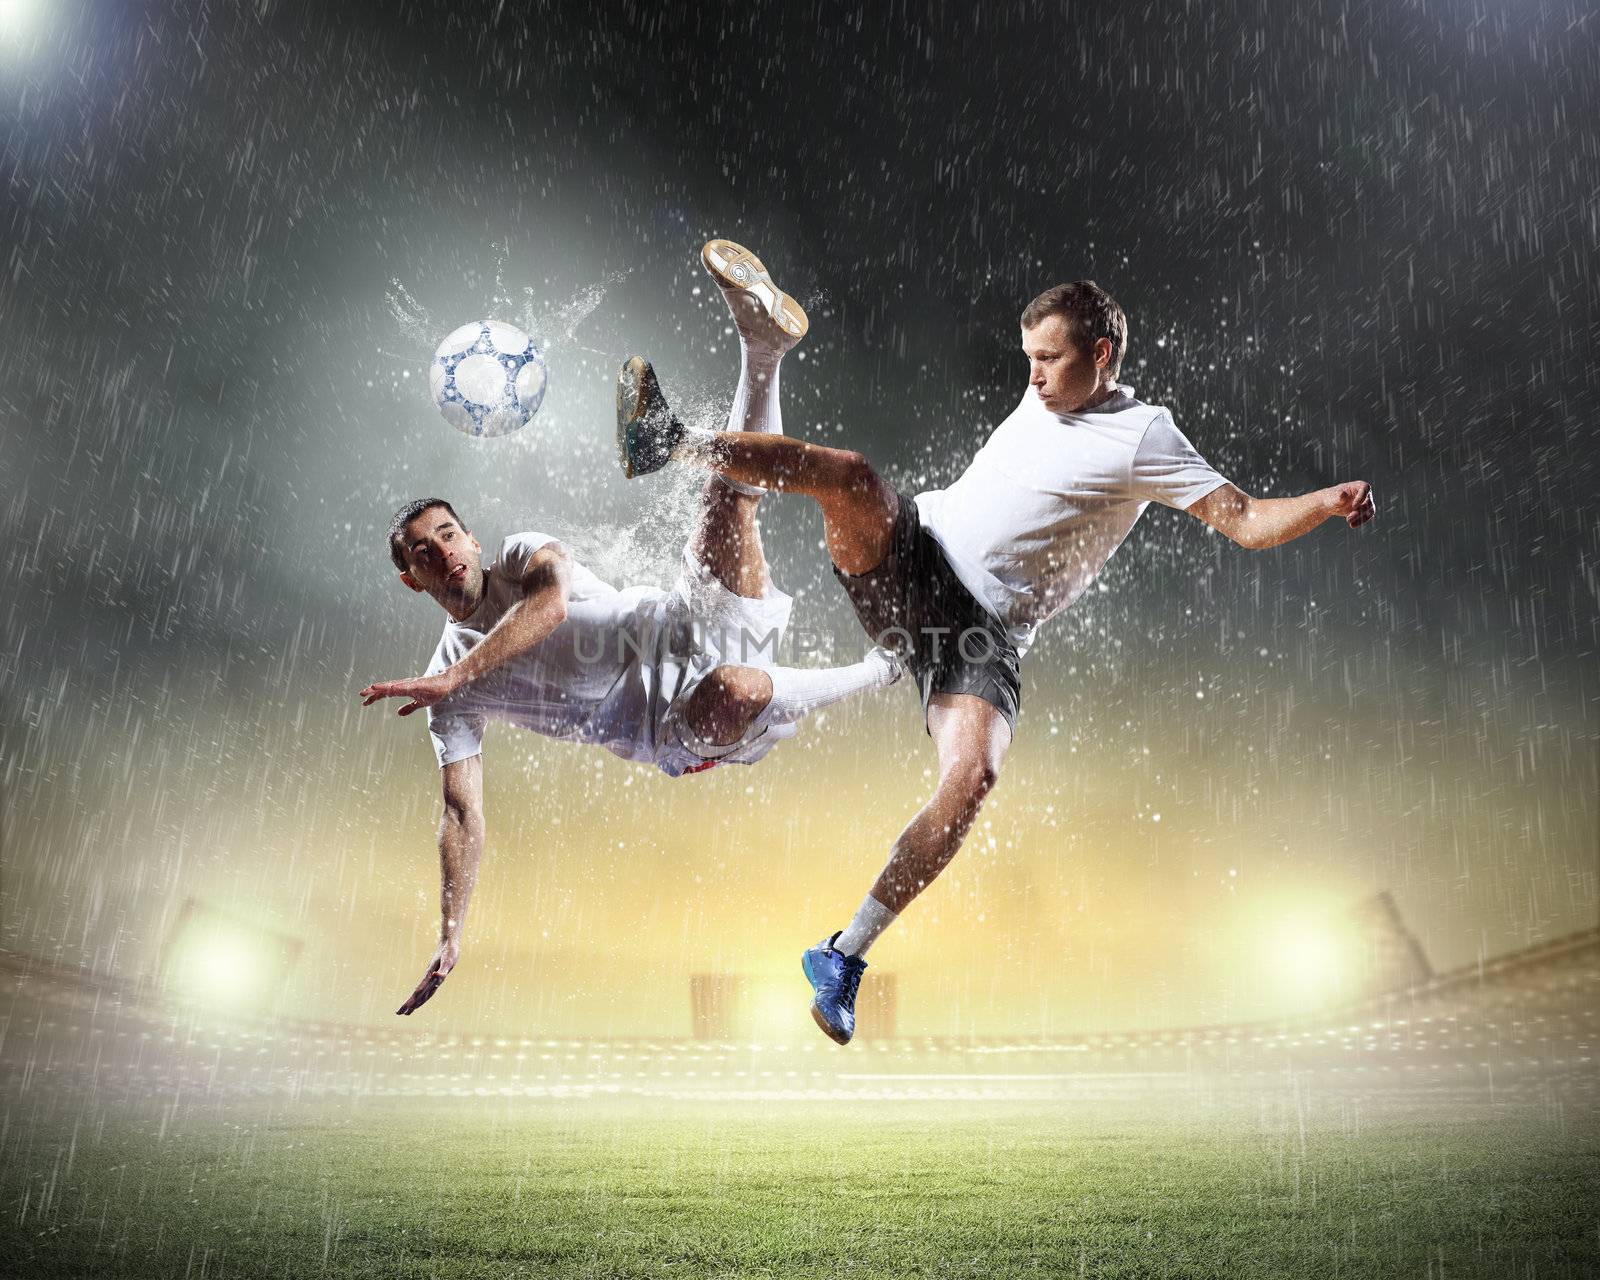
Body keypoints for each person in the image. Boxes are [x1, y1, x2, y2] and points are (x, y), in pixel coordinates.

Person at [618, 271, 1377, 1045]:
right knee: (850, 476)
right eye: (1027, 359)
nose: (1035, 376)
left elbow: (1245, 520)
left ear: (1102, 355)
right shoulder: (1044, 391)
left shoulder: (1145, 438)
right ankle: (671, 440)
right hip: (915, 554)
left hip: (981, 638)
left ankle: (842, 957)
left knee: (973, 777)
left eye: (1050, 359)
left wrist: (1325, 501)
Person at [362, 239, 899, 1016]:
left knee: (731, 498)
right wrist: (451, 930)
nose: (443, 551)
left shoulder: (518, 559)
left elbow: (545, 609)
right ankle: (881, 670)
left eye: (449, 533)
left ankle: (763, 348)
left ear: (472, 540)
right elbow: (460, 812)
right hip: (671, 724)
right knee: (737, 687)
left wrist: (453, 675)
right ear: (410, 577)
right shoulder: (451, 696)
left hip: (683, 617)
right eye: (423, 550)